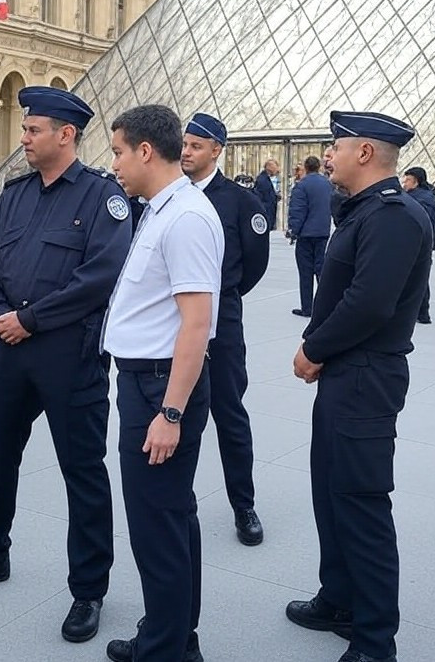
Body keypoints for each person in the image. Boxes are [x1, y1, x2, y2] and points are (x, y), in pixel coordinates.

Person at [0, 86, 131, 645]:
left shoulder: (101, 197)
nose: (23, 139)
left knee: (82, 472)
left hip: (70, 355)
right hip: (9, 349)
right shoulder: (16, 194)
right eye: (24, 130)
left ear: (64, 135)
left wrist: (32, 319)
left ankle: (88, 589)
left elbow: (99, 276)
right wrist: (0, 314)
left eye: (31, 130)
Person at [286, 110, 433, 662]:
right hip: (347, 374)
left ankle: (374, 641)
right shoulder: (368, 211)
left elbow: (369, 302)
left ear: (365, 153)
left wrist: (314, 349)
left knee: (361, 503)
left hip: (365, 376)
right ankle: (339, 599)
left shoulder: (392, 216)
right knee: (332, 492)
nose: (330, 154)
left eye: (336, 146)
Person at [102, 105, 224, 662]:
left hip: (159, 389)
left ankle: (164, 650)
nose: (115, 163)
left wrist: (169, 414)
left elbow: (196, 323)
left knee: (157, 527)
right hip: (150, 383)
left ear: (145, 151)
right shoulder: (163, 208)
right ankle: (174, 636)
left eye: (119, 151)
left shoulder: (186, 217)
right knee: (171, 518)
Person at [181, 113, 269, 546]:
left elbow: (253, 265)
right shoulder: (169, 195)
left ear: (217, 149)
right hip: (176, 323)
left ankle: (244, 505)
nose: (186, 152)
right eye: (185, 144)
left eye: (196, 146)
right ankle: (179, 500)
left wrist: (224, 297)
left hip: (222, 322)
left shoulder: (239, 201)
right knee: (175, 412)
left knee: (230, 413)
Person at [287, 155, 333, 318]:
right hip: (323, 231)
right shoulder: (328, 184)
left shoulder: (302, 186)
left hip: (306, 234)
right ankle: (326, 306)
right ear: (319, 167)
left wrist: (294, 230)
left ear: (305, 167)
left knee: (305, 272)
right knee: (322, 271)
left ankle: (307, 307)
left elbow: (298, 210)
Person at [401, 166, 435, 324]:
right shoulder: (423, 195)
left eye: (408, 180)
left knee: (417, 277)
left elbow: (421, 223)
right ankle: (420, 312)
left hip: (418, 244)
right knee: (418, 277)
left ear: (416, 182)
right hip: (420, 243)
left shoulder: (421, 199)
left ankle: (422, 313)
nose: (404, 183)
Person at [253, 158, 280, 229]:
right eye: (276, 168)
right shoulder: (263, 180)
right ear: (270, 168)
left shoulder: (266, 179)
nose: (277, 170)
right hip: (266, 214)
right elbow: (261, 198)